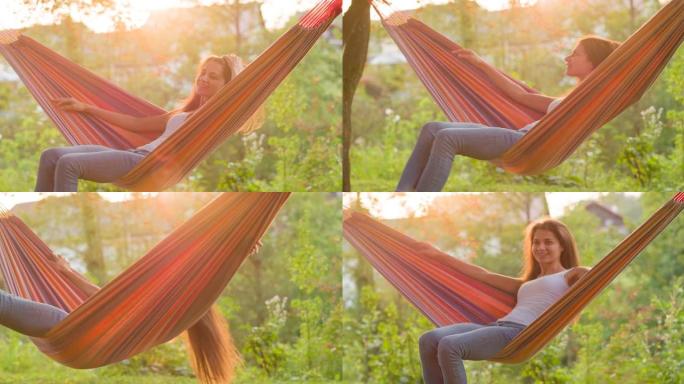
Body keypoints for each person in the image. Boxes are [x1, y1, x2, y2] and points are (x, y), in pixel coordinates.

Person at [396, 36, 620, 192]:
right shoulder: (568, 100)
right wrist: (481, 64)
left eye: (575, 54)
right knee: (432, 129)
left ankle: (423, 195)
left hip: (525, 144)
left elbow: (621, 76)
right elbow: (520, 95)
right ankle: (403, 192)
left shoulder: (593, 100)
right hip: (514, 135)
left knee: (447, 138)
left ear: (593, 62)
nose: (567, 58)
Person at [35, 54, 259, 191]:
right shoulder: (183, 114)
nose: (204, 78)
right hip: (134, 155)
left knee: (69, 164)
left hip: (147, 166)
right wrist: (86, 107)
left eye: (213, 76)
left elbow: (241, 100)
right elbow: (135, 123)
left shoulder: (213, 120)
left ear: (226, 86)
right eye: (203, 72)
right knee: (50, 156)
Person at [417, 218, 590, 384]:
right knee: (428, 339)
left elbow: (597, 274)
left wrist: (611, 265)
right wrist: (437, 255)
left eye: (548, 242)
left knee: (450, 346)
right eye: (536, 242)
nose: (540, 247)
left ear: (562, 246)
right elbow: (482, 274)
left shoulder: (570, 275)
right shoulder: (525, 283)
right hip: (496, 327)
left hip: (519, 334)